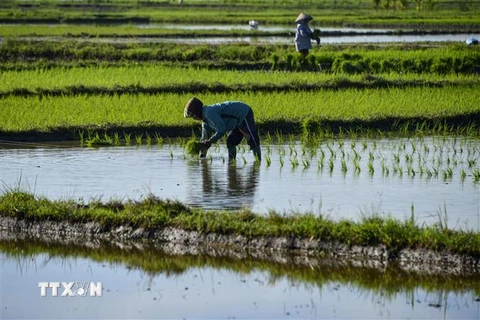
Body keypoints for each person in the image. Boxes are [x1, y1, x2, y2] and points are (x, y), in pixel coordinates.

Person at [184, 97, 261, 161]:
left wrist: (211, 141)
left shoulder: (209, 113)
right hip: (236, 122)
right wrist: (202, 156)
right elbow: (205, 138)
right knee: (230, 142)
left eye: (193, 116)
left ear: (197, 114)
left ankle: (258, 163)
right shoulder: (205, 121)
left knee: (252, 139)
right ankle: (231, 162)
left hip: (243, 113)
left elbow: (222, 129)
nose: (194, 119)